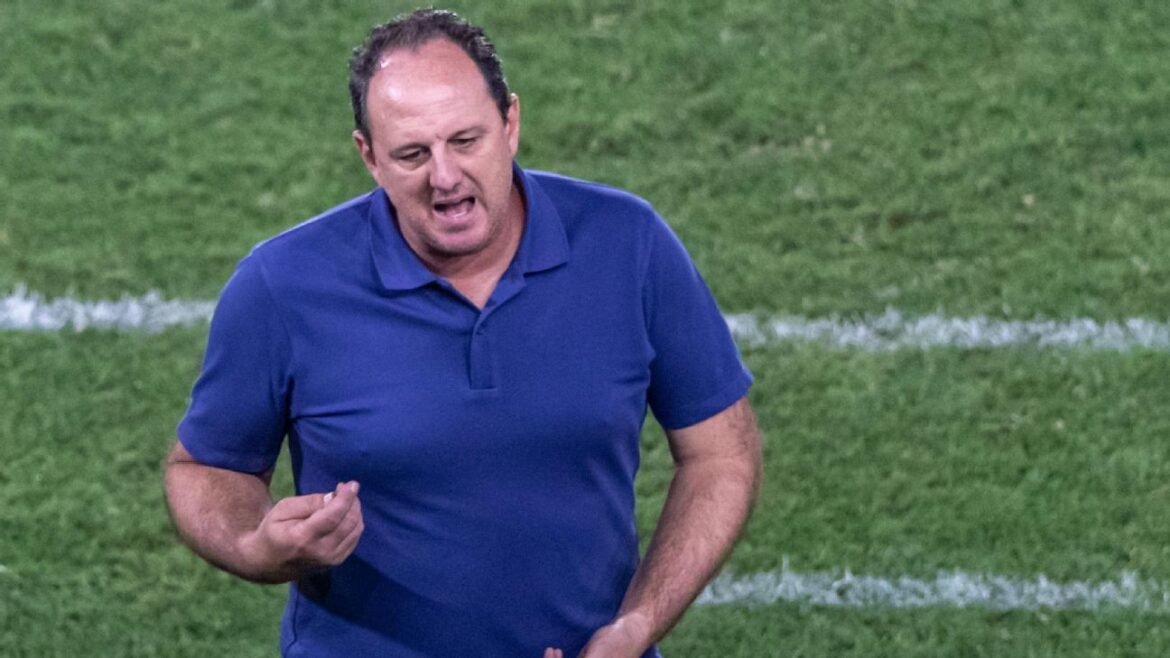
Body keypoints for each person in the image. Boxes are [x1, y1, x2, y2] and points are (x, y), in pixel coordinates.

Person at [164, 8, 762, 657]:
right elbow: (204, 468)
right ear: (369, 156)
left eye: (466, 141)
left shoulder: (628, 245)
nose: (444, 177)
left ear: (510, 123)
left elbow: (721, 455)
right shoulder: (283, 284)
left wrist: (636, 627)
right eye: (412, 154)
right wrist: (255, 545)